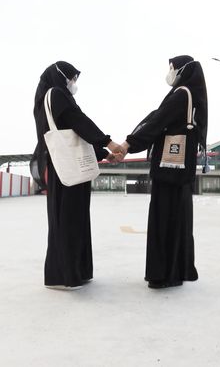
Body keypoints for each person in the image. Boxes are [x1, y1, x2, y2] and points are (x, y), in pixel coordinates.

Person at [31, 61, 122, 290]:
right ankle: (64, 276)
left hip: (68, 167)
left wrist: (102, 153)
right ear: (61, 77)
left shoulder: (55, 96)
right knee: (69, 219)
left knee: (74, 218)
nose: (74, 83)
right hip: (66, 170)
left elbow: (75, 134)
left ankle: (76, 271)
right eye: (72, 78)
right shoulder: (56, 94)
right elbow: (77, 122)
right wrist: (108, 142)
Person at [120, 55, 208, 288]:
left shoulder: (181, 94)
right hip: (181, 171)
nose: (169, 72)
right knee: (177, 220)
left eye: (172, 68)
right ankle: (176, 271)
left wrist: (129, 144)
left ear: (182, 70)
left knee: (163, 219)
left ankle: (163, 274)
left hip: (168, 170)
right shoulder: (193, 94)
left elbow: (158, 121)